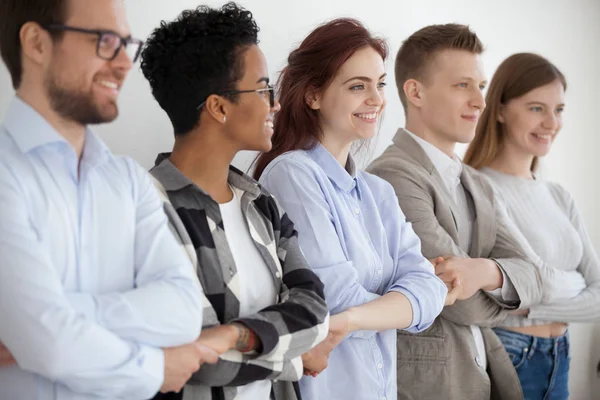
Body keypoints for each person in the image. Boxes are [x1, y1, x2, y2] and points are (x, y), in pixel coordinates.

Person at [0, 0, 215, 399]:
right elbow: (50, 341)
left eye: (126, 44)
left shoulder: (129, 181)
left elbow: (185, 312)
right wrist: (157, 368)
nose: (123, 63)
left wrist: (49, 319)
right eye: (104, 41)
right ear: (36, 43)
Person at [366, 24, 585, 400]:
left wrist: (489, 271)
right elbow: (459, 303)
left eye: (480, 87)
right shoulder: (391, 176)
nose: (480, 102)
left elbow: (534, 276)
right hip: (429, 386)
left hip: (485, 375)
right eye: (462, 85)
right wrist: (515, 298)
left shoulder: (477, 183)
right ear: (415, 91)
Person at [140, 4, 330, 400]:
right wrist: (296, 358)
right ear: (219, 107)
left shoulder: (262, 204)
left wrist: (235, 335)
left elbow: (314, 307)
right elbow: (195, 360)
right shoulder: (147, 210)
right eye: (263, 89)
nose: (275, 104)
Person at [254, 18, 449, 400]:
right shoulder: (291, 174)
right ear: (313, 95)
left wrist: (355, 319)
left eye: (378, 83)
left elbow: (430, 292)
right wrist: (399, 305)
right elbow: (334, 300)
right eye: (357, 86)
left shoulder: (378, 192)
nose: (376, 99)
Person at [464, 52, 600, 399]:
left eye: (559, 110)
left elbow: (597, 295)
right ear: (499, 110)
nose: (551, 123)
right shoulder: (479, 187)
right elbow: (534, 279)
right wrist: (572, 283)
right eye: (536, 108)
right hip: (512, 353)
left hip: (561, 353)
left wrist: (528, 305)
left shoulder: (558, 195)